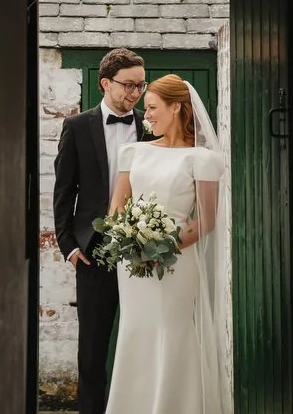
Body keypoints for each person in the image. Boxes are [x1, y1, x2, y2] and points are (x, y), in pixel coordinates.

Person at [104, 74, 231, 414]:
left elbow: (205, 219)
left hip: (176, 261)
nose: (147, 115)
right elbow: (117, 206)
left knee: (171, 328)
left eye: (153, 107)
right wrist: (130, 241)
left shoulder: (202, 159)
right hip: (131, 263)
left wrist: (163, 248)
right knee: (136, 327)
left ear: (176, 107)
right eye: (146, 109)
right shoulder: (133, 152)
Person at [53, 48, 147, 414]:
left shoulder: (150, 127)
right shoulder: (77, 127)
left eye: (141, 85)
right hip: (94, 251)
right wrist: (68, 246)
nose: (136, 93)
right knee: (92, 348)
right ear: (105, 83)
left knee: (141, 339)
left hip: (144, 247)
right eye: (128, 85)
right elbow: (64, 191)